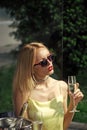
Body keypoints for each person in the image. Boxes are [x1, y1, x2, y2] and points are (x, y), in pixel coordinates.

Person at [13, 42, 84, 130]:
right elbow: (22, 128)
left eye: (50, 57)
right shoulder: (23, 92)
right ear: (31, 68)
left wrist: (73, 104)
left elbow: (63, 126)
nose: (50, 63)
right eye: (43, 62)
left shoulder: (61, 86)